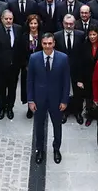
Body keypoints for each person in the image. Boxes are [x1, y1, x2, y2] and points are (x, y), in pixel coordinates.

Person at [28, 33, 71, 165]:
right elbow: (30, 80)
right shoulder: (34, 58)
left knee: (57, 126)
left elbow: (66, 81)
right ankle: (39, 150)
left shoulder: (63, 58)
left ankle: (56, 148)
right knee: (39, 126)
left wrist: (64, 100)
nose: (47, 46)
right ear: (41, 44)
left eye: (50, 43)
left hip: (56, 99)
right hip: (39, 99)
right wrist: (30, 100)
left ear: (54, 43)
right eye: (45, 43)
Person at [21, 15, 43, 118]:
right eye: (31, 23)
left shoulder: (43, 36)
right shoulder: (24, 36)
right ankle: (30, 107)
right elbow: (20, 53)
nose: (33, 25)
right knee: (29, 87)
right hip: (27, 68)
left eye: (35, 23)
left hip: (41, 68)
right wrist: (26, 65)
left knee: (40, 87)